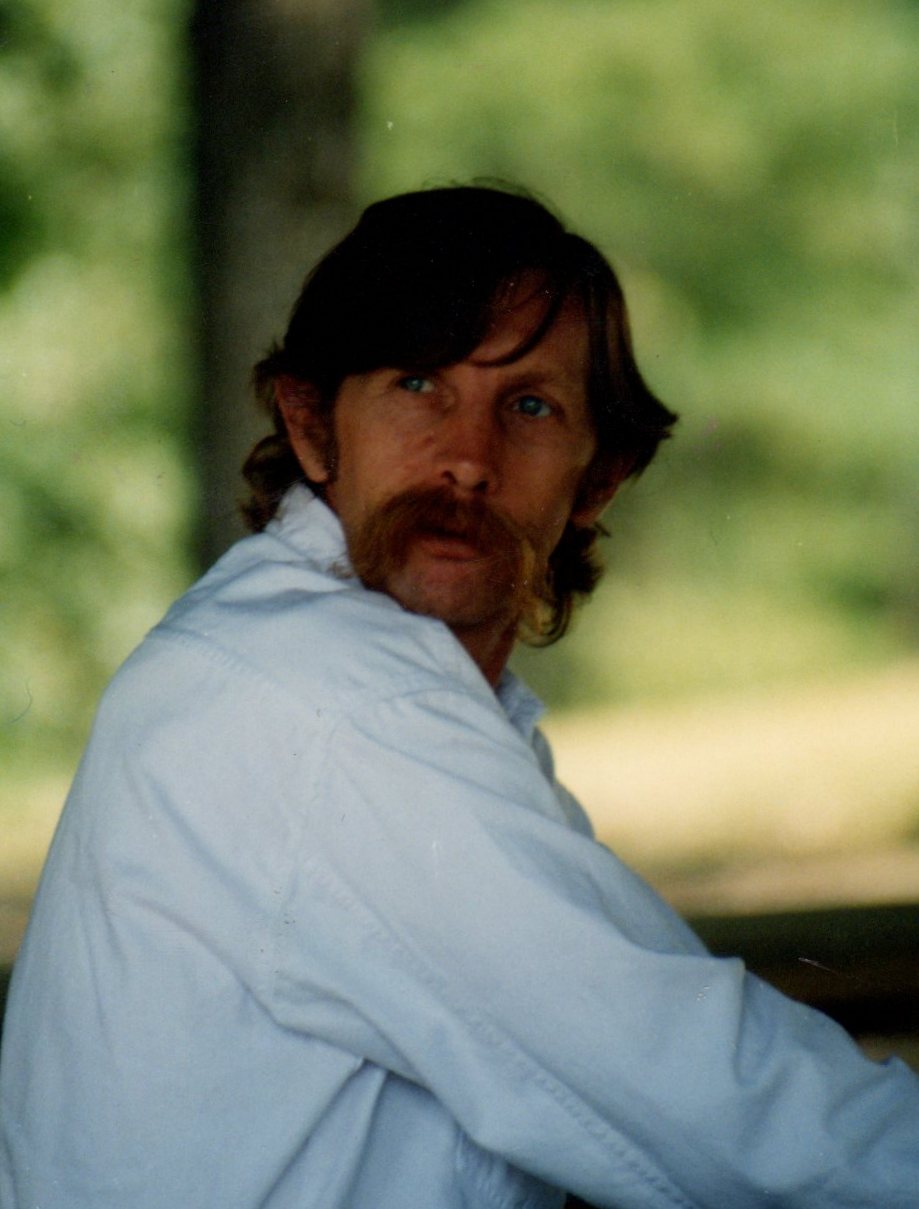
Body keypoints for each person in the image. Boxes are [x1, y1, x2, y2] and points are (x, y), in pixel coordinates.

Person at [1, 185, 917, 1209]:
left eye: (529, 407)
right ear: (313, 427)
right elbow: (703, 1091)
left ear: (597, 479)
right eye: (418, 384)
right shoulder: (328, 703)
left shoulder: (343, 678)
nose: (469, 460)